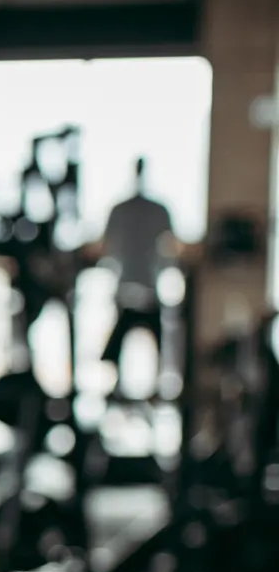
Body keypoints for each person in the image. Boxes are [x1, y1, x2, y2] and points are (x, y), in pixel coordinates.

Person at [96, 158, 179, 396]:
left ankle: (157, 383)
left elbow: (170, 247)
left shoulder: (157, 209)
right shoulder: (120, 209)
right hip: (127, 284)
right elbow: (107, 247)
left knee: (156, 336)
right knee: (122, 333)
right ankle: (117, 381)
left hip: (149, 285)